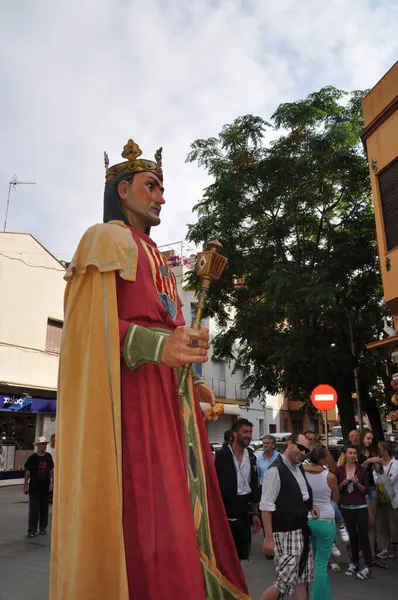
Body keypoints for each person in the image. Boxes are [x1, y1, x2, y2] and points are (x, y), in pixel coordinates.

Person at [50, 138, 250, 600]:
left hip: (171, 399)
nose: (162, 196)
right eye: (152, 186)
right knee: (150, 517)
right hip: (132, 403)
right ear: (123, 190)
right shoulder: (105, 239)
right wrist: (161, 346)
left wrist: (193, 373)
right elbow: (86, 327)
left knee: (182, 512)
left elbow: (171, 325)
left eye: (162, 188)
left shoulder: (159, 256)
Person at [260, 433, 319, 600]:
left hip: (302, 530)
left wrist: (310, 507)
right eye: (300, 447)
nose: (303, 452)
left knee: (301, 580)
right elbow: (265, 506)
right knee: (282, 584)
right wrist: (268, 538)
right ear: (289, 443)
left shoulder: (298, 466)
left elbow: (301, 494)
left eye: (306, 450)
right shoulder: (275, 470)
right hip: (286, 534)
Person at [215, 418, 261, 560]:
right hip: (225, 509)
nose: (248, 435)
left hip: (244, 509)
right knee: (225, 554)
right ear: (235, 434)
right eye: (245, 432)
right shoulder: (222, 456)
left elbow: (253, 486)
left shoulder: (251, 456)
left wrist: (255, 514)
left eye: (250, 432)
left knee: (242, 553)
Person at [336, 444, 372, 579]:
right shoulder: (339, 470)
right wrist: (343, 483)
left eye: (354, 453)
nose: (353, 455)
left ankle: (368, 566)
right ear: (345, 455)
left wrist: (357, 483)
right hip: (346, 507)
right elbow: (336, 490)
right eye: (350, 453)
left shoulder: (362, 470)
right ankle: (355, 562)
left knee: (363, 536)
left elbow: (365, 490)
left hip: (360, 507)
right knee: (352, 536)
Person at [358, 428, 386, 568]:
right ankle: (362, 548)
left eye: (371, 439)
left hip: (372, 487)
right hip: (362, 489)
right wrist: (369, 460)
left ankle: (372, 554)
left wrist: (378, 464)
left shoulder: (372, 452)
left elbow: (379, 471)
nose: (370, 441)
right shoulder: (356, 452)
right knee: (368, 522)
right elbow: (359, 470)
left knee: (372, 522)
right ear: (362, 437)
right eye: (368, 438)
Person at [24, 436, 54, 538]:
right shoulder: (33, 458)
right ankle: (32, 530)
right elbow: (28, 472)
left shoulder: (48, 456)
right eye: (42, 444)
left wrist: (51, 483)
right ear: (37, 445)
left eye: (45, 444)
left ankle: (42, 528)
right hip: (34, 488)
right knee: (34, 510)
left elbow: (51, 470)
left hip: (45, 488)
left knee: (44, 509)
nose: (44, 446)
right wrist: (25, 485)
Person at [374, 441, 397, 559]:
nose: (378, 451)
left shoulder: (395, 464)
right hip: (382, 499)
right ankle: (387, 548)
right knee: (384, 525)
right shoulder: (377, 464)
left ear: (386, 450)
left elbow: (389, 481)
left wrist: (380, 473)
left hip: (394, 500)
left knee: (395, 525)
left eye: (380, 449)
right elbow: (375, 480)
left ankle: (393, 548)